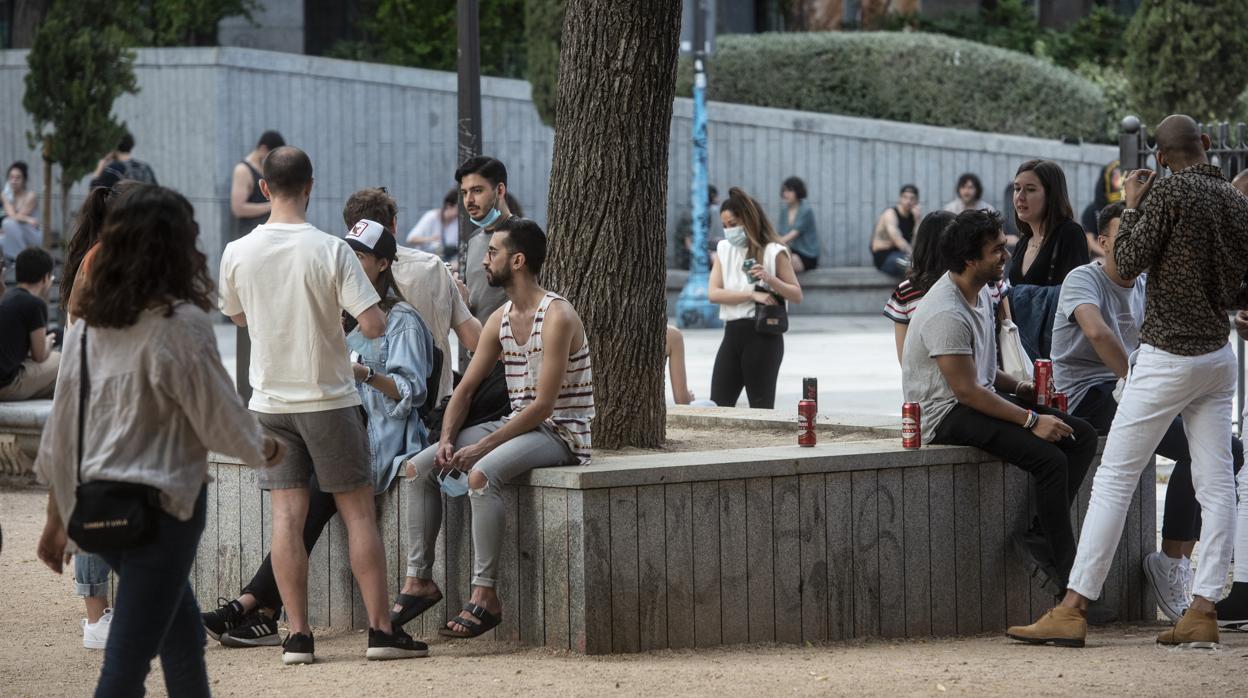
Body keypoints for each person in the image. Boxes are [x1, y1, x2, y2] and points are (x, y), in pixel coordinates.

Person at [33, 184, 286, 697]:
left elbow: (64, 425)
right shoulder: (181, 324)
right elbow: (220, 420)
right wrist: (266, 448)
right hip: (163, 508)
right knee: (125, 666)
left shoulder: (87, 327)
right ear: (173, 247)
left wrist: (57, 518)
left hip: (101, 505)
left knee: (182, 635)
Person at [1007, 114, 1248, 649]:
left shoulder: (1165, 194)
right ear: (1206, 146)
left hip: (1166, 356)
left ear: (1160, 158)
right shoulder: (1236, 202)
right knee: (1216, 481)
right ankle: (1204, 607)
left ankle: (1073, 608)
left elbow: (1128, 261)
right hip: (1217, 354)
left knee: (1115, 477)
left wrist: (1135, 206)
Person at [218, 145, 424, 664]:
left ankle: (297, 637)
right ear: (310, 186)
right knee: (358, 515)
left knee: (286, 517)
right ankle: (381, 631)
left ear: (264, 188)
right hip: (328, 397)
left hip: (269, 400)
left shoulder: (237, 251)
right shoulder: (331, 249)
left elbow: (238, 317)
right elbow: (375, 324)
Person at [393, 217, 593, 638]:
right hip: (516, 424)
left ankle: (485, 597)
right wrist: (447, 440)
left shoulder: (556, 315)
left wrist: (480, 449)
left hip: (560, 432)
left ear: (517, 260)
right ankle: (419, 581)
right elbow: (464, 391)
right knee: (419, 468)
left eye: (492, 252)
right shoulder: (500, 318)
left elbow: (543, 407)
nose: (484, 260)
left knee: (481, 476)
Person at [1052, 201, 1245, 624]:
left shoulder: (1145, 285)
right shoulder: (1083, 279)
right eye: (1128, 236)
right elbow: (1098, 333)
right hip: (1090, 394)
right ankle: (1081, 598)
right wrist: (1137, 381)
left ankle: (1171, 560)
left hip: (1135, 388)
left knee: (1226, 450)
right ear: (1103, 243)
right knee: (1119, 479)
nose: (1140, 246)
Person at [902, 209, 1097, 600]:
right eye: (996, 250)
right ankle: (1069, 585)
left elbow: (983, 375)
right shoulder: (946, 310)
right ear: (971, 260)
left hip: (971, 398)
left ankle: (1040, 536)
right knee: (1050, 458)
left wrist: (1020, 387)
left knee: (1083, 435)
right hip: (943, 416)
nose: (1006, 255)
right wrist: (1030, 421)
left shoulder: (980, 294)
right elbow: (967, 392)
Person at [346, 186, 481, 401]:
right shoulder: (431, 267)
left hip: (369, 405)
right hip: (434, 401)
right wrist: (462, 302)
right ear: (394, 225)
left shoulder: (345, 276)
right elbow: (474, 340)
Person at [707, 187, 803, 409]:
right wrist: (751, 294)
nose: (729, 231)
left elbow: (796, 294)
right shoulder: (724, 248)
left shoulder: (774, 251)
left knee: (761, 408)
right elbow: (714, 293)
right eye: (724, 226)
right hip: (731, 333)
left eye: (733, 224)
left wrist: (770, 279)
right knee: (719, 405)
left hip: (763, 335)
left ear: (748, 221)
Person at [884, 210, 956, 364]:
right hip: (981, 381)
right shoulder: (978, 284)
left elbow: (904, 358)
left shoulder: (905, 292)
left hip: (924, 384)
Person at [1007, 160, 1088, 288]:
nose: (1020, 197)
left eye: (1030, 189)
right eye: (1017, 189)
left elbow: (1078, 292)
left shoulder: (1070, 233)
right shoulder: (1023, 242)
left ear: (1051, 196)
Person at [459, 157, 514, 325]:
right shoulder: (473, 239)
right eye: (464, 192)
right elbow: (476, 304)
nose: (469, 200)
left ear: (500, 190)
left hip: (513, 349)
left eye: (477, 191)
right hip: (477, 348)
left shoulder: (523, 236)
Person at [0, 247, 57, 401]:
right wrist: (49, 341)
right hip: (8, 385)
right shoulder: (35, 304)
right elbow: (40, 356)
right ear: (46, 277)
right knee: (61, 360)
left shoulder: (7, 298)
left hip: (5, 378)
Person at [230, 130, 285, 241]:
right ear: (263, 149)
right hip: (250, 238)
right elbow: (238, 209)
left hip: (269, 237)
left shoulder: (266, 168)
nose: (275, 160)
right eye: (273, 156)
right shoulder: (243, 170)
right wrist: (273, 205)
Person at [870, 184, 920, 278]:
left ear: (916, 201)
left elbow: (916, 243)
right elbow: (897, 239)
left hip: (903, 254)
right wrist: (915, 258)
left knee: (921, 266)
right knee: (911, 266)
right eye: (905, 197)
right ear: (900, 199)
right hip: (885, 256)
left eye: (912, 198)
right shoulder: (890, 214)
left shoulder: (914, 216)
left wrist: (917, 221)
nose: (908, 201)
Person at [1078, 160, 1122, 259]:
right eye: (1115, 177)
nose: (1119, 182)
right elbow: (1090, 240)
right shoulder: (1091, 211)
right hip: (1102, 258)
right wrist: (1111, 257)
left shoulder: (1134, 209)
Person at [778, 176, 819, 272]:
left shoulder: (806, 210)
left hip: (806, 255)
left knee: (782, 261)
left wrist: (771, 244)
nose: (785, 194)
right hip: (791, 251)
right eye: (784, 190)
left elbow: (793, 234)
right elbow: (780, 234)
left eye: (789, 190)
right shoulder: (784, 212)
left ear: (798, 191)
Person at [1, 161, 40, 261]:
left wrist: (24, 219)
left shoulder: (31, 196)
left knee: (8, 223)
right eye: (11, 177)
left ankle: (22, 259)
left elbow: (14, 218)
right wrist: (28, 219)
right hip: (16, 235)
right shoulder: (6, 196)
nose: (14, 181)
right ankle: (12, 261)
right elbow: (13, 216)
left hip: (30, 235)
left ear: (24, 180)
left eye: (18, 178)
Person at [406, 187, 459, 260]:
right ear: (449, 206)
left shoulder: (456, 222)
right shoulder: (431, 217)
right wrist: (431, 239)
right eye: (457, 208)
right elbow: (410, 239)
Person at [666, 325, 694, 405]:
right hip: (650, 412)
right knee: (711, 404)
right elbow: (681, 400)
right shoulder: (672, 335)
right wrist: (689, 397)